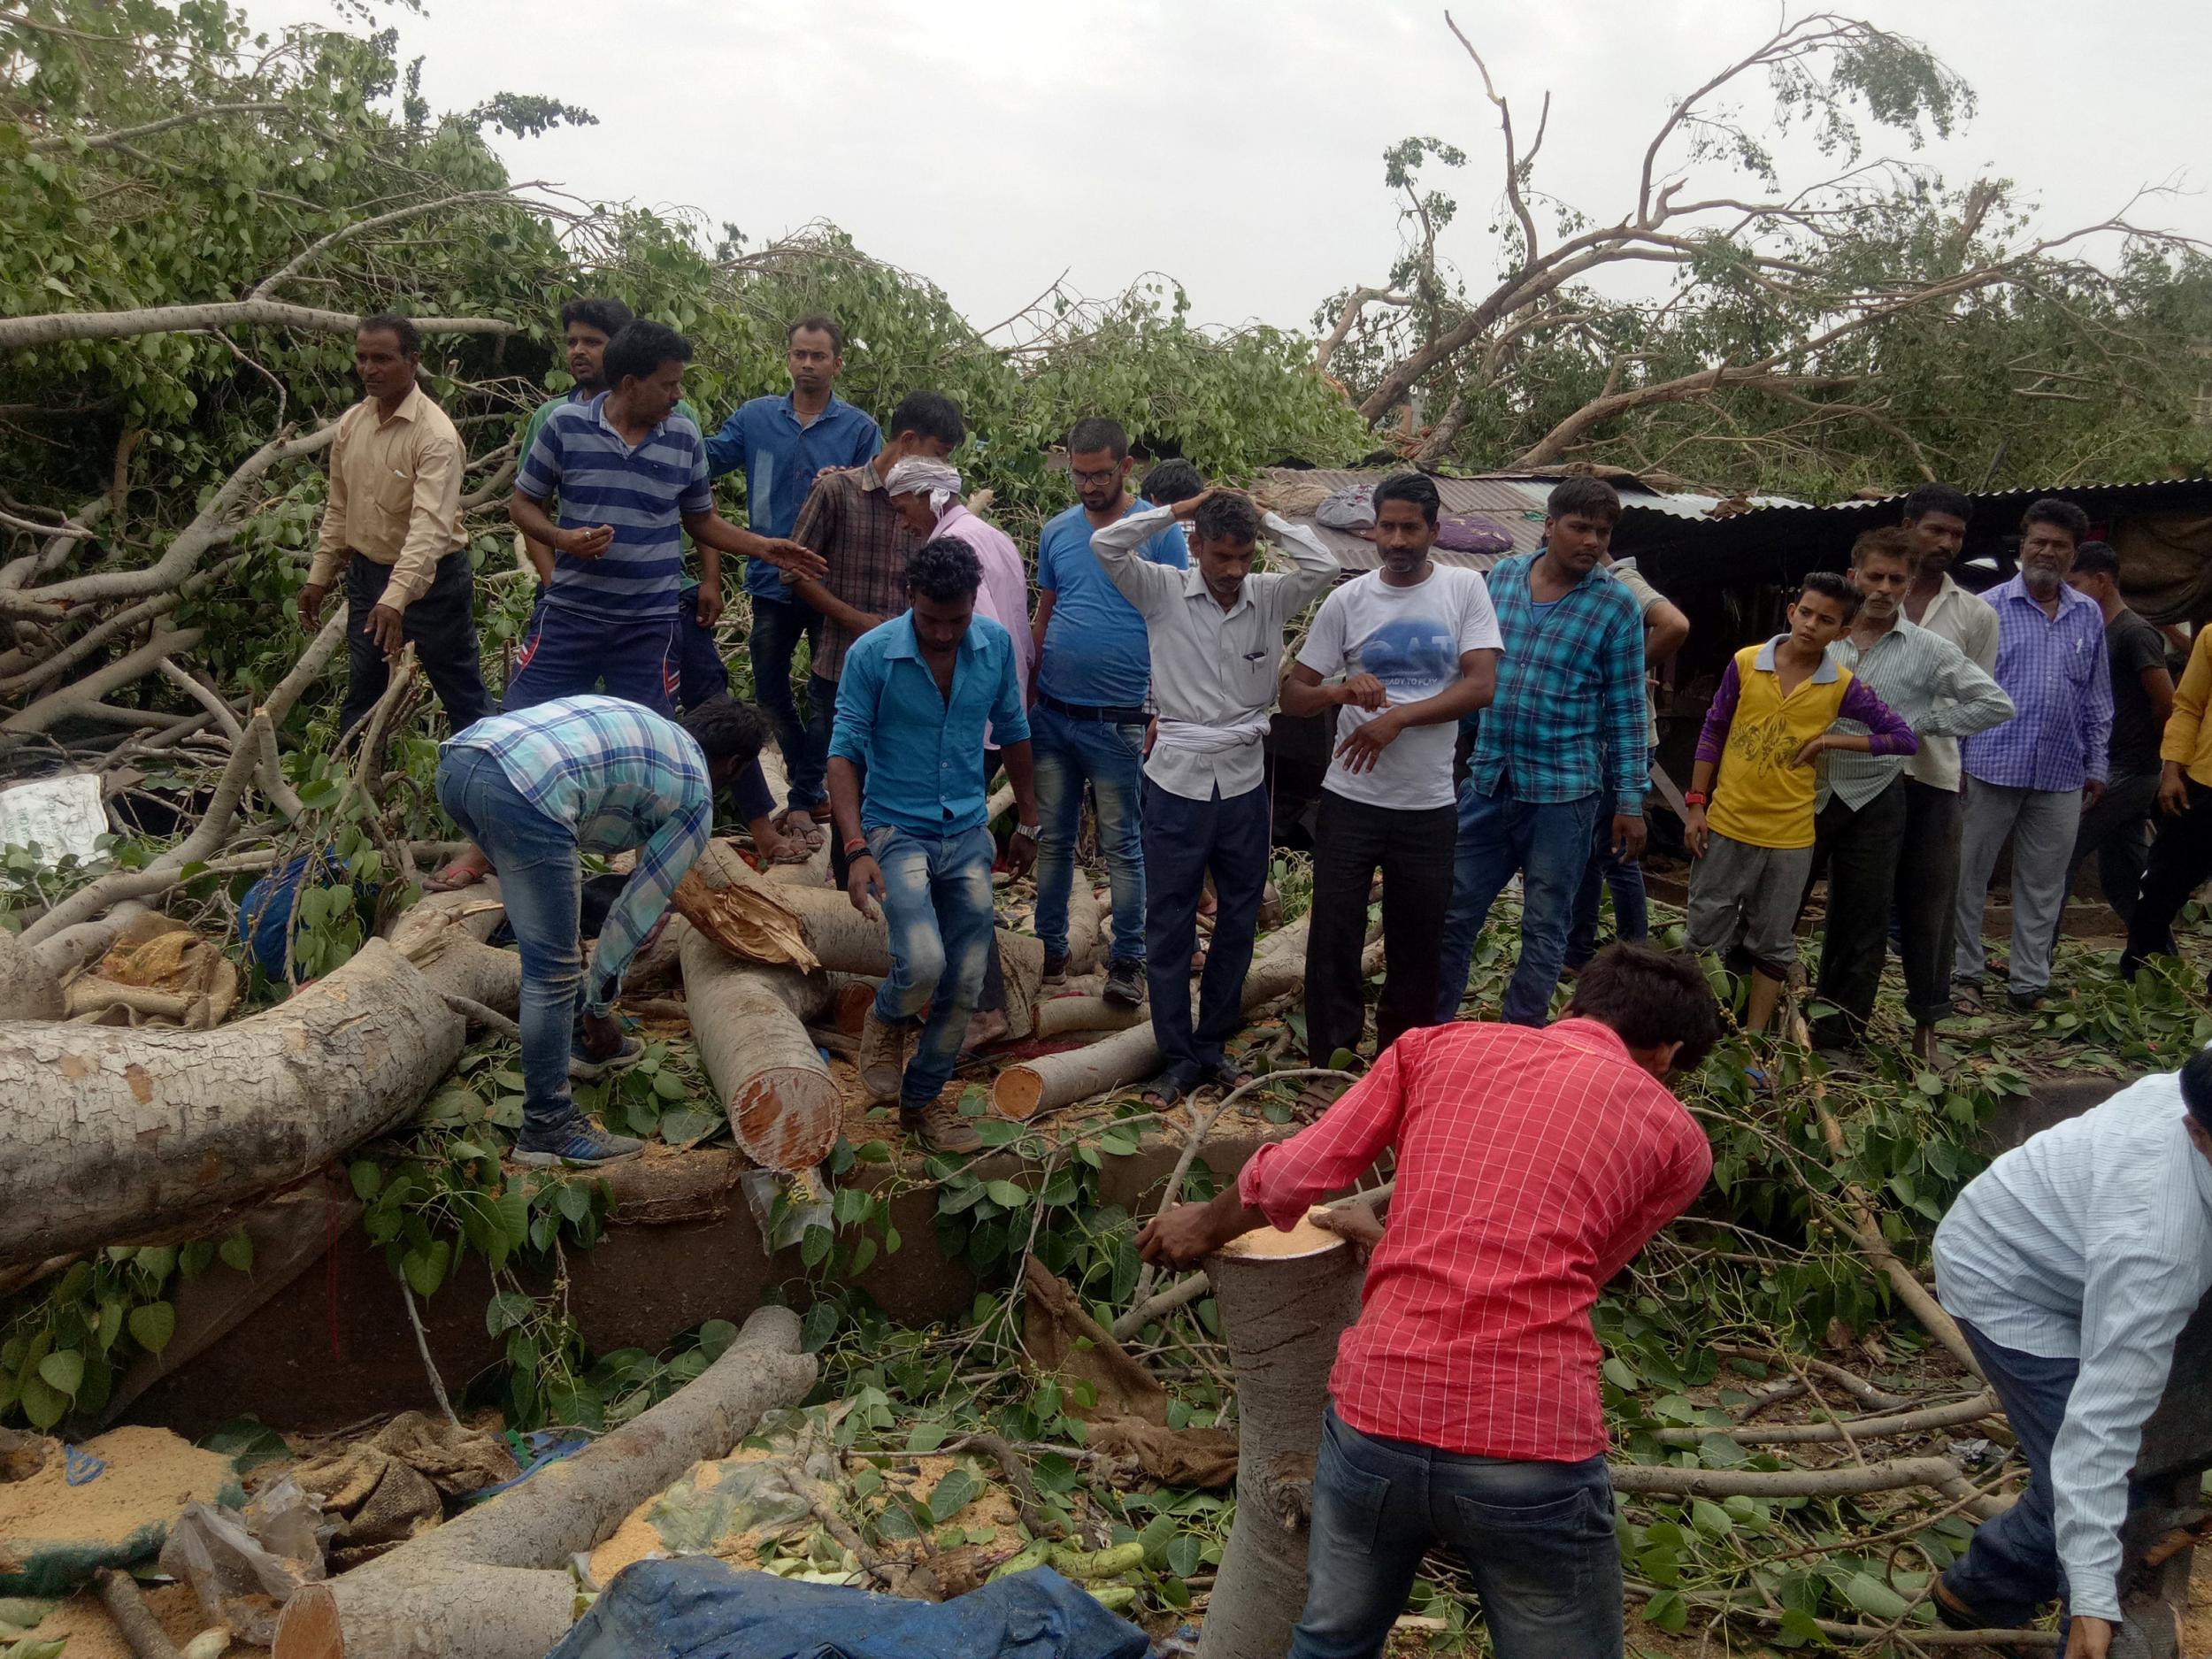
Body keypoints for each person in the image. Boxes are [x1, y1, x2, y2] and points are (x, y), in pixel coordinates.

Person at [1136, 943, 1724, 1659]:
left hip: (1377, 1422)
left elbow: (1298, 1170)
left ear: (1575, 1005)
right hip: (1531, 1448)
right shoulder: (1679, 1142)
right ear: (1665, 1053)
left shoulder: (1435, 1048)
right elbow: (1569, 1273)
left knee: (1330, 1643)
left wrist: (1201, 1223)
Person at [1928, 1050, 2212, 1659]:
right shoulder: (2159, 1248)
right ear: (2198, 1131)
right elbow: (2098, 1432)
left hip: (2088, 1230)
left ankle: (1985, 1587)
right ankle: (2081, 1639)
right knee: (2111, 1494)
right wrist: (2090, 1601)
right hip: (2007, 1274)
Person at [434, 695, 767, 1165]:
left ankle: (574, 1040)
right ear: (733, 764)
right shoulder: (695, 796)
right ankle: (548, 1126)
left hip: (461, 760)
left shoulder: (646, 722)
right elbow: (632, 913)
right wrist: (600, 1007)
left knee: (553, 929)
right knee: (550, 970)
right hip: (527, 792)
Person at [1087, 487, 1335, 1102]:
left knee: (1240, 917)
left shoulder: (1271, 594)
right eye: (1220, 555)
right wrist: (1177, 509)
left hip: (1246, 782)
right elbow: (1105, 542)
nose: (1231, 570)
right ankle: (1176, 1055)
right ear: (1196, 546)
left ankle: (1211, 1044)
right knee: (1168, 922)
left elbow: (1325, 566)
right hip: (1176, 782)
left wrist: (1268, 519)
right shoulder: (1162, 589)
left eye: (1243, 556)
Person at [1282, 472, 1501, 1075]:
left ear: (1434, 529)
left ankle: (1402, 1067)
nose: (1398, 539)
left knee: (1417, 941)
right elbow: (1293, 697)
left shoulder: (1463, 590)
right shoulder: (1348, 600)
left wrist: (1397, 718)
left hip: (1428, 804)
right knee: (1334, 935)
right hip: (1350, 798)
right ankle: (1330, 1061)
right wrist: (1340, 689)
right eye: (1388, 526)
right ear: (1372, 529)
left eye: (1411, 527)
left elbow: (1481, 685)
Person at [829, 538, 1038, 1154]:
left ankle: (921, 1103)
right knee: (922, 963)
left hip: (968, 830)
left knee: (968, 976)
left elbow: (1016, 731)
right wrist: (854, 847)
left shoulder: (994, 646)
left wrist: (1028, 822)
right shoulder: (871, 655)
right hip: (897, 830)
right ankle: (888, 1014)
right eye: (930, 620)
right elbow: (842, 753)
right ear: (909, 600)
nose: (944, 633)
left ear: (975, 603)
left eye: (957, 618)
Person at [505, 321, 823, 715]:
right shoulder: (564, 425)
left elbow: (701, 520)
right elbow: (521, 505)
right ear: (630, 383)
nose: (678, 395)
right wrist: (561, 539)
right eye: (668, 385)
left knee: (645, 740)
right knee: (523, 724)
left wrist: (763, 548)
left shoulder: (683, 437)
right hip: (571, 615)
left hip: (650, 625)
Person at [1433, 477, 1647, 1027]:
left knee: (1546, 926)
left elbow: (1627, 711)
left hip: (1564, 793)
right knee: (1455, 915)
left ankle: (1517, 1042)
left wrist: (1630, 800)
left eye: (1602, 532)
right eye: (1580, 527)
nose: (1592, 542)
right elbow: (1469, 667)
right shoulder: (1501, 579)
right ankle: (1431, 1034)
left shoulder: (1616, 605)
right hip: (1489, 781)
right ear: (1549, 525)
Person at [1684, 572, 1916, 1033]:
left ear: (1842, 632)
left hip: (1790, 838)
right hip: (1726, 824)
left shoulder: (1841, 685)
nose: (1811, 625)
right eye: (1805, 613)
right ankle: (1698, 1030)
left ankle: (1752, 1037)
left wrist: (1831, 740)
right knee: (1703, 933)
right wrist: (1695, 804)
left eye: (1826, 620)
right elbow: (1714, 729)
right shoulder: (1747, 663)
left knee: (1771, 942)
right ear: (1791, 612)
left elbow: (1904, 738)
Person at [1811, 529, 2013, 1056]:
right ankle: (1751, 1023)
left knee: (1864, 918)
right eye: (1873, 576)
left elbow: (1995, 704)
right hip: (1806, 789)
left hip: (1880, 793)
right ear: (1853, 576)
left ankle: (1838, 1038)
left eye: (1895, 580)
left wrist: (1917, 724)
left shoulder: (1928, 650)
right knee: (1772, 908)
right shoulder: (1821, 636)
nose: (1882, 588)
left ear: (1908, 585)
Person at [703, 315, 882, 848]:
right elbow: (706, 463)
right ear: (787, 357)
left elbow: (877, 493)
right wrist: (672, 420)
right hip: (768, 580)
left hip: (830, 584)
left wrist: (847, 481)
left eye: (818, 356)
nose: (808, 364)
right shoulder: (756, 418)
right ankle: (811, 778)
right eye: (799, 354)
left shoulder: (859, 429)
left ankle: (804, 797)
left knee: (828, 694)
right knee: (769, 690)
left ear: (837, 363)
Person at [1030, 419, 1192, 1008]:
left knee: (1123, 842)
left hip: (1120, 718)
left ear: (1126, 467)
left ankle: (1128, 957)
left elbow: (1178, 623)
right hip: (1052, 713)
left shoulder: (1158, 533)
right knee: (1053, 838)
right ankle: (1049, 946)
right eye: (1080, 473)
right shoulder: (1056, 533)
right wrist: (1026, 692)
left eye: (1101, 473)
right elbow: (1044, 614)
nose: (1090, 484)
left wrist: (1165, 708)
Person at [780, 391, 965, 891]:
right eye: (939, 452)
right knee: (845, 785)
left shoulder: (935, 503)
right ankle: (850, 902)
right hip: (840, 665)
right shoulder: (837, 492)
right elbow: (794, 572)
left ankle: (901, 900)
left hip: (911, 679)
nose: (945, 465)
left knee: (898, 788)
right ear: (908, 441)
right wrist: (856, 620)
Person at [884, 457, 1033, 1050]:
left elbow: (975, 646)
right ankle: (969, 1000)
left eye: (902, 508)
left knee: (955, 873)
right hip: (995, 724)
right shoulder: (990, 535)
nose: (902, 523)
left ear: (928, 495)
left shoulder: (960, 552)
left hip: (970, 735)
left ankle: (979, 1009)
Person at [301, 313, 494, 739]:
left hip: (435, 585)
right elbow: (339, 507)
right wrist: (320, 575)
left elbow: (430, 528)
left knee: (462, 693)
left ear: (412, 361)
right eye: (363, 358)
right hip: (368, 576)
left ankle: (490, 782)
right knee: (363, 694)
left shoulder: (435, 436)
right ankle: (355, 789)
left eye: (382, 359)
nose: (369, 369)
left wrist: (397, 599)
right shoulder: (352, 423)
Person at [1953, 499, 2111, 1013]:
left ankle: (2028, 986)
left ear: (2073, 554)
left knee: (2044, 886)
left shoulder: (2087, 613)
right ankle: (1965, 976)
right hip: (1990, 763)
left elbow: (2097, 697)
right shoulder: (1988, 608)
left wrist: (2097, 765)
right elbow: (1960, 692)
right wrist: (1954, 759)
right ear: (2022, 548)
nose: (2047, 551)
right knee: (1968, 876)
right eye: (2038, 542)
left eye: (2059, 545)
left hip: (2062, 772)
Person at [1566, 551, 1689, 969]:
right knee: (1592, 851)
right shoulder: (1584, 585)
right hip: (1596, 737)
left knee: (1612, 851)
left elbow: (1674, 624)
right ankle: (1582, 952)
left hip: (1620, 740)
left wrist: (1625, 670)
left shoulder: (1622, 580)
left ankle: (1631, 956)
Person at [2062, 541, 2172, 926]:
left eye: (2073, 582)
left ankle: (2035, 961)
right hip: (2104, 765)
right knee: (2122, 873)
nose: (2067, 591)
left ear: (2102, 581)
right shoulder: (2093, 631)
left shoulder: (2134, 632)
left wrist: (2153, 757)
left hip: (2129, 768)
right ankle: (2157, 959)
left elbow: (2167, 702)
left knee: (2061, 851)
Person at [2119, 625, 2212, 985]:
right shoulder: (2208, 637)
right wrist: (2171, 770)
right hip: (2202, 783)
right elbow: (2188, 706)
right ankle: (2142, 972)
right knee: (2161, 884)